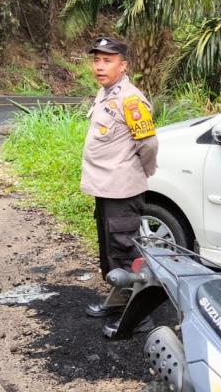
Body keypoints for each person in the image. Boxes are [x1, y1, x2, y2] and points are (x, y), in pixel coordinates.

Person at [79, 36, 158, 318]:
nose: (99, 66)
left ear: (123, 66)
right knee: (111, 249)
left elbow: (148, 145)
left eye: (107, 61)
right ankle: (118, 302)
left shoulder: (130, 99)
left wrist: (138, 172)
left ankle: (138, 316)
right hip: (106, 187)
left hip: (122, 189)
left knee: (125, 250)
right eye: (96, 60)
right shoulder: (105, 93)